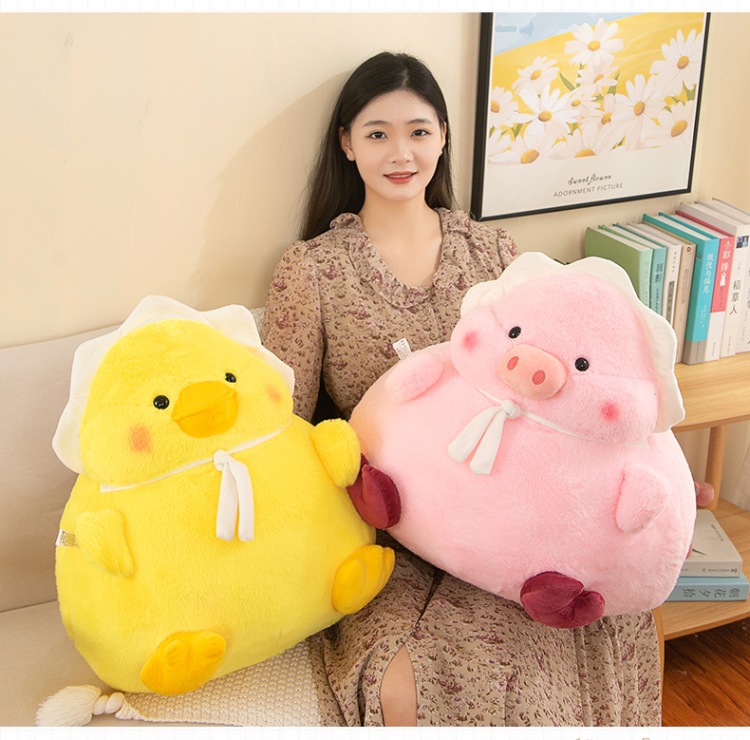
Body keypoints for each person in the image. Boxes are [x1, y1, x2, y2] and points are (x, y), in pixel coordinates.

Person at [260, 51, 662, 726]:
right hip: (392, 526)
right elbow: (285, 427)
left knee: (555, 650)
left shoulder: (496, 254)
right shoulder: (313, 271)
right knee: (403, 684)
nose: (401, 153)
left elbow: (563, 383)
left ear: (443, 137)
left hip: (518, 509)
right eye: (378, 133)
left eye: (419, 131)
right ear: (347, 144)